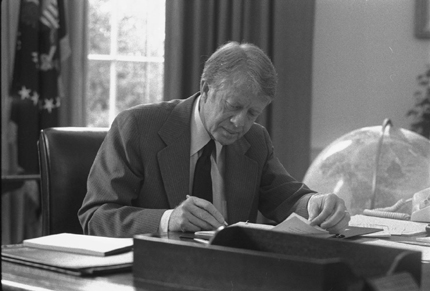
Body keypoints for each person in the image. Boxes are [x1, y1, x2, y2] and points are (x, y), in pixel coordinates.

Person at [78, 41, 350, 237]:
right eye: (233, 106)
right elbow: (95, 216)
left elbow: (286, 197)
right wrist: (168, 219)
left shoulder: (255, 140)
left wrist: (316, 204)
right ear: (206, 88)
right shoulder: (137, 127)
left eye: (253, 113)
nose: (240, 123)